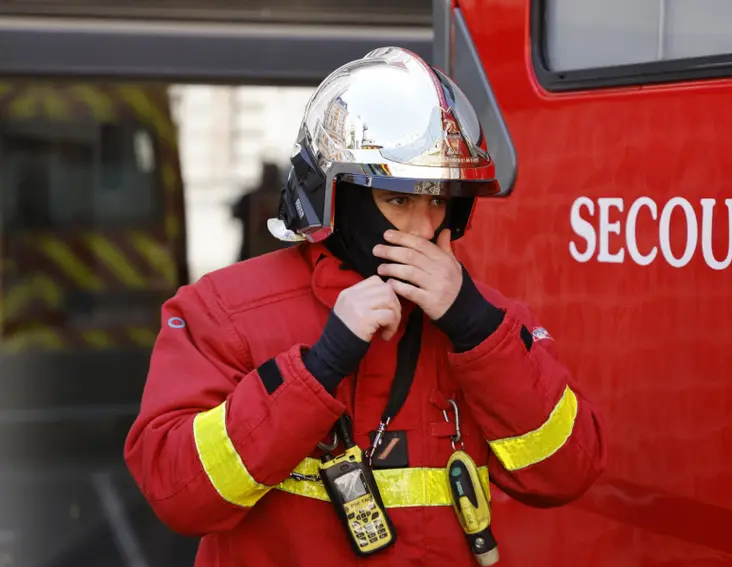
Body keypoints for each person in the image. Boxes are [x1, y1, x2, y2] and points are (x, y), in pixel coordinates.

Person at [124, 47, 607, 567]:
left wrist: (475, 326)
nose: (423, 229)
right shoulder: (223, 309)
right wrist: (321, 366)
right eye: (398, 201)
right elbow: (179, 492)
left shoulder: (485, 323)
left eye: (439, 201)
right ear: (338, 197)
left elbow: (567, 473)